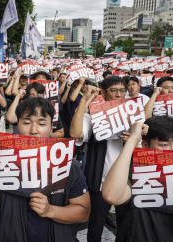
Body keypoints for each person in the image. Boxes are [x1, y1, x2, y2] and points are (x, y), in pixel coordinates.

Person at [0, 97, 91, 242]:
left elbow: (83, 212)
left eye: (41, 123)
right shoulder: (1, 160)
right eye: (26, 122)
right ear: (17, 125)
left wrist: (51, 211)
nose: (33, 130)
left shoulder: (68, 165)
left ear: (51, 128)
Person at [102, 116, 173, 241]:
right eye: (164, 145)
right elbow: (111, 195)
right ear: (145, 145)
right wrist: (133, 139)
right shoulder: (135, 170)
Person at [70, 76, 127, 242]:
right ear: (103, 92)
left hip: (127, 185)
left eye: (122, 90)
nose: (118, 94)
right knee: (95, 228)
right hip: (99, 183)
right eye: (114, 90)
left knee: (126, 228)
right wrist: (84, 101)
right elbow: (75, 133)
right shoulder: (94, 116)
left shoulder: (133, 115)